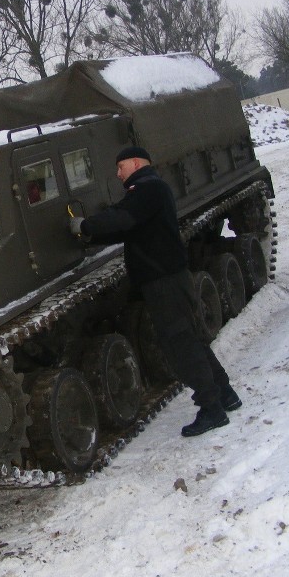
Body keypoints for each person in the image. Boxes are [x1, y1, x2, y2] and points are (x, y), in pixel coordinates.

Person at [69, 146, 241, 437]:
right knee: (192, 339)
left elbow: (122, 217)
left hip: (164, 282)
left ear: (136, 163)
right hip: (170, 278)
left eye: (120, 166)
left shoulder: (148, 190)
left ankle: (212, 409)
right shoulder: (149, 191)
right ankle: (225, 394)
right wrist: (90, 234)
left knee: (180, 346)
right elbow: (128, 228)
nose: (117, 172)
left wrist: (84, 224)